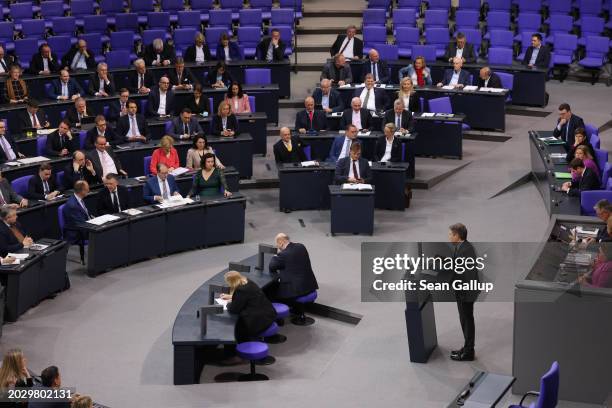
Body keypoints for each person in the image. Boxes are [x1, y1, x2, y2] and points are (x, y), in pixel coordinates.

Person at [448, 223, 479, 361]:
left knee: (467, 319)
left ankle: (469, 352)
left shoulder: (466, 250)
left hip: (466, 292)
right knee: (464, 319)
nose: (449, 236)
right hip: (462, 290)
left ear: (458, 236)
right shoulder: (461, 247)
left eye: (451, 234)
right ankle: (467, 347)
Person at [220, 271, 276, 343]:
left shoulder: (240, 290)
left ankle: (244, 341)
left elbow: (234, 309)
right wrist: (231, 296)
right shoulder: (248, 282)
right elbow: (247, 297)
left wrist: (228, 303)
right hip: (269, 314)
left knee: (239, 326)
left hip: (260, 321)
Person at [269, 233, 319, 301]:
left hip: (296, 292)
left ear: (281, 243)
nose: (278, 247)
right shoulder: (301, 246)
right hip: (310, 286)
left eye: (277, 245)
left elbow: (272, 266)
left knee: (271, 293)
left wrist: (275, 255)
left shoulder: (283, 254)